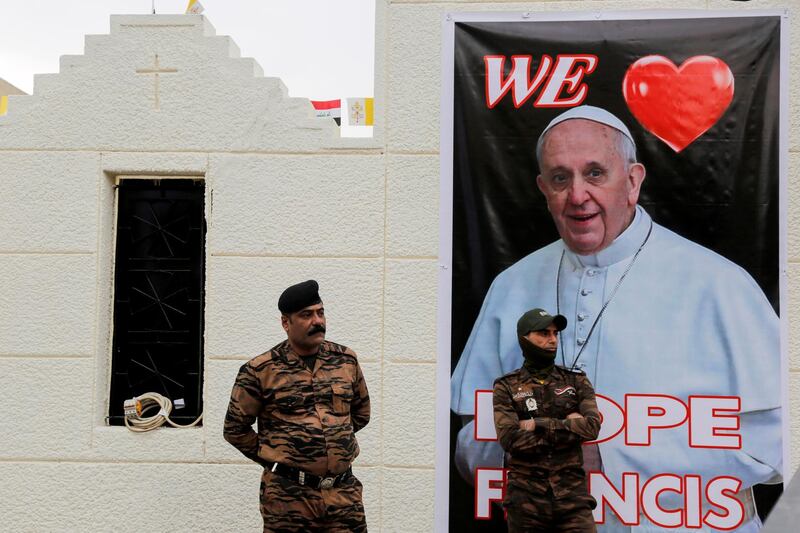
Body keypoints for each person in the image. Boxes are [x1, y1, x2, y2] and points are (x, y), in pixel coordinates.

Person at [451, 106, 781, 531]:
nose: (577, 195)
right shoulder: (512, 286)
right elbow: (469, 433)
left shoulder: (718, 284)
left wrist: (611, 456)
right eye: (559, 178)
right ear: (542, 189)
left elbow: (775, 444)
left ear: (633, 181)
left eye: (594, 173)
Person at [224, 279, 370, 532]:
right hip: (289, 498)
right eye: (307, 315)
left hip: (343, 494)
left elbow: (361, 413)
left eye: (320, 313)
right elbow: (235, 429)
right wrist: (276, 456)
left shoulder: (345, 360)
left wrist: (331, 443)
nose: (318, 321)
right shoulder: (260, 370)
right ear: (285, 323)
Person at [494, 308, 600, 532]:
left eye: (555, 333)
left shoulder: (576, 381)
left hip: (573, 498)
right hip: (526, 500)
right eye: (543, 333)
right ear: (524, 339)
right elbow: (510, 440)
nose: (552, 340)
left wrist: (538, 424)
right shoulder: (506, 385)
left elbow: (591, 428)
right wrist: (568, 426)